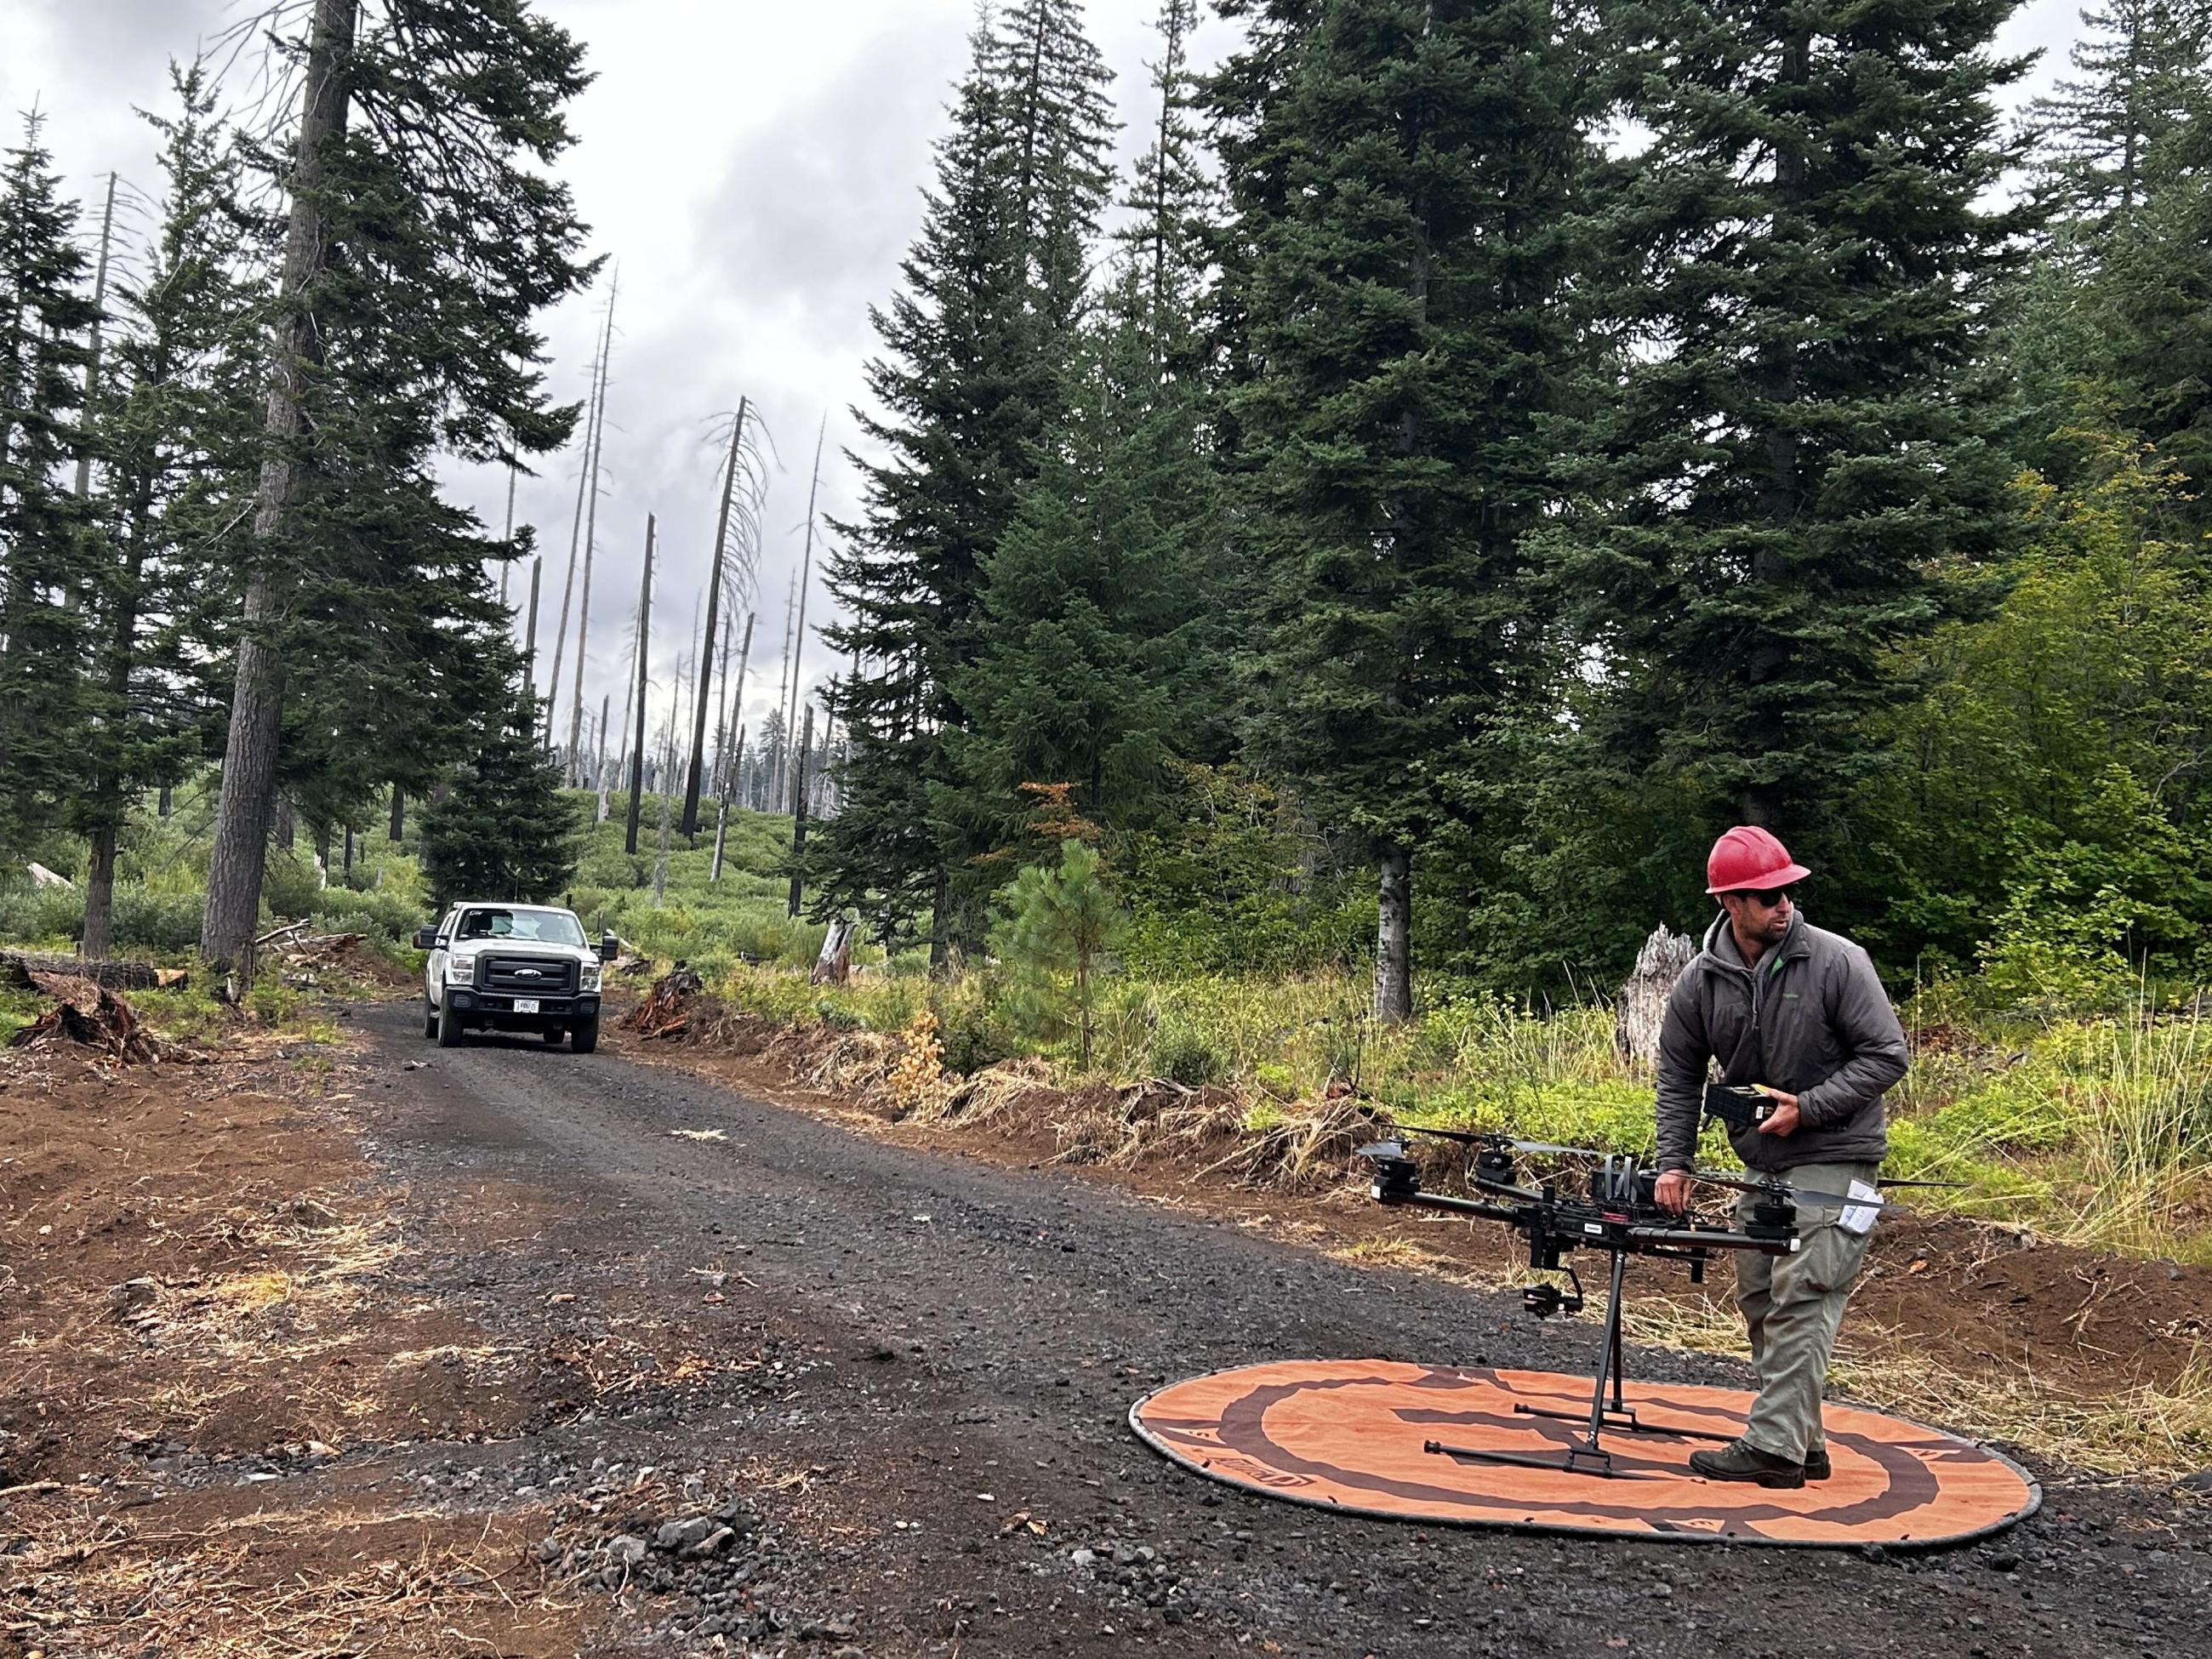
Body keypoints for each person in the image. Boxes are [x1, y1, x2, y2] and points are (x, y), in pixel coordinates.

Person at [1651, 825, 1909, 1488]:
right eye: (1768, 897)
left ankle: (1772, 1451)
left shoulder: (1837, 961)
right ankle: (1804, 1441)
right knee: (1762, 1298)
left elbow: (1886, 1056)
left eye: (1788, 892)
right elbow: (1679, 1074)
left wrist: (1810, 1105)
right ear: (1731, 903)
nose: (1784, 905)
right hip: (1761, 1163)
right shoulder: (1700, 980)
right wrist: (1673, 1161)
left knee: (1804, 1294)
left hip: (1837, 1156)